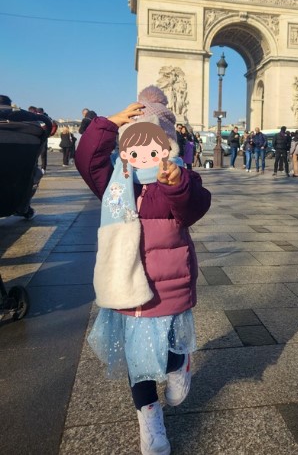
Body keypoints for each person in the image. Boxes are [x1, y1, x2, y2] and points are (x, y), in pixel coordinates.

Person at [75, 85, 211, 455]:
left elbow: (196, 207)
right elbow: (87, 159)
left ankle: (178, 364)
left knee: (166, 348)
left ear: (168, 147)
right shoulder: (114, 184)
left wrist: (176, 185)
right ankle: (149, 419)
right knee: (138, 361)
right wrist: (106, 123)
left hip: (170, 286)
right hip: (127, 286)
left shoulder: (180, 178)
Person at [0, 95, 52, 219]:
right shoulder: (24, 117)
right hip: (18, 177)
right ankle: (24, 208)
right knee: (33, 173)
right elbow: (47, 124)